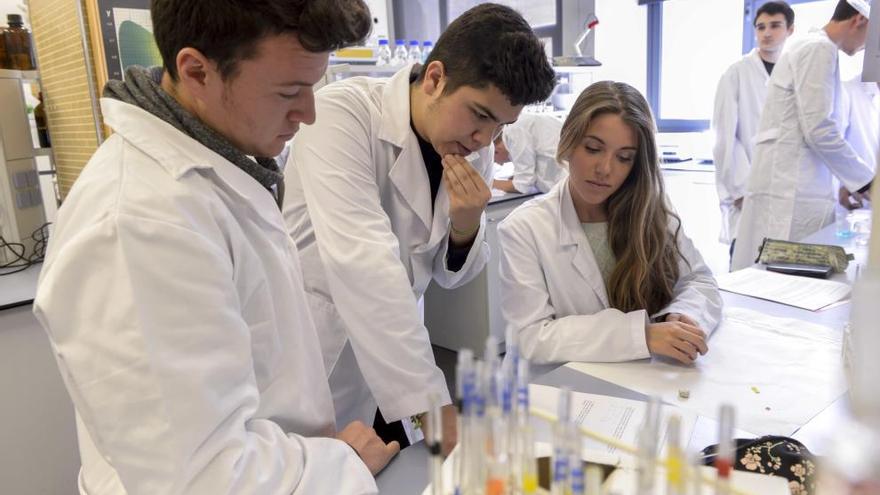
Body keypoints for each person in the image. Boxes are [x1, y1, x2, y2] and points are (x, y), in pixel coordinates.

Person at [32, 1, 399, 493]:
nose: (309, 113)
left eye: (314, 86)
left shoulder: (219, 169)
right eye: (290, 91)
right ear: (197, 71)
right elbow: (203, 478)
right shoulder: (138, 226)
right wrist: (340, 463)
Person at [283, 3, 555, 451]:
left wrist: (466, 227)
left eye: (501, 126)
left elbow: (449, 275)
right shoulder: (341, 116)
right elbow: (364, 265)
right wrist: (436, 411)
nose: (485, 141)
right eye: (480, 115)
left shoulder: (474, 148)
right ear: (434, 78)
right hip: (319, 353)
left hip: (397, 351)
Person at [498, 81, 722, 366]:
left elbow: (698, 280)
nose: (605, 169)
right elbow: (532, 337)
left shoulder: (652, 211)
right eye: (593, 149)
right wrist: (642, 335)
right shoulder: (525, 228)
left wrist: (685, 314)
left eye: (624, 158)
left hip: (641, 382)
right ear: (568, 141)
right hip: (560, 389)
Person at [732, 0, 875, 270]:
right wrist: (867, 183)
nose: (867, 47)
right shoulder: (819, 48)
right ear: (859, 20)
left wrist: (848, 182)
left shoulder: (811, 46)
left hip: (789, 183)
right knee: (783, 277)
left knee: (772, 274)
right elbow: (819, 128)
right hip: (790, 190)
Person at [712, 1, 794, 247]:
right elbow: (724, 136)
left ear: (790, 29)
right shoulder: (736, 73)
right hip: (745, 190)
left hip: (782, 191)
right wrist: (739, 190)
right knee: (745, 260)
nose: (766, 33)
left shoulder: (793, 72)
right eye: (760, 27)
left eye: (775, 25)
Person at [492, 112, 567, 194]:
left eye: (495, 161)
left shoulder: (514, 133)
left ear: (496, 150)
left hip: (566, 184)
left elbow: (522, 186)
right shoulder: (519, 124)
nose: (500, 164)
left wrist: (491, 183)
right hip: (569, 179)